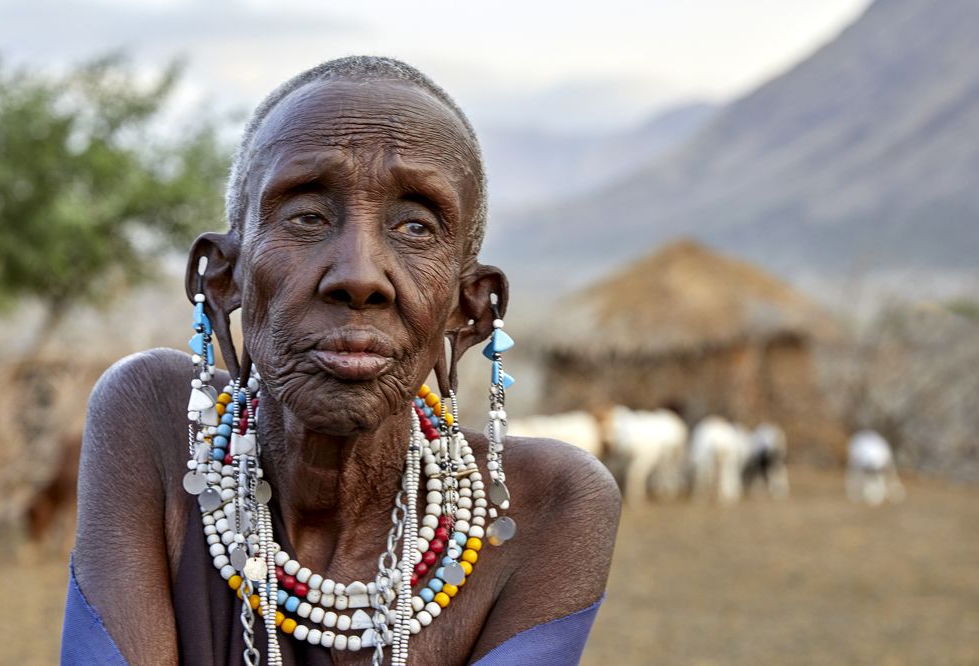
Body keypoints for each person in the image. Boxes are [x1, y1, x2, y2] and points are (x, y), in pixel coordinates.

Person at [63, 56, 620, 665]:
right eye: (306, 216)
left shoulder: (548, 505)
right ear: (225, 280)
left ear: (468, 311)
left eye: (415, 227)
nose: (359, 277)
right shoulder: (157, 425)